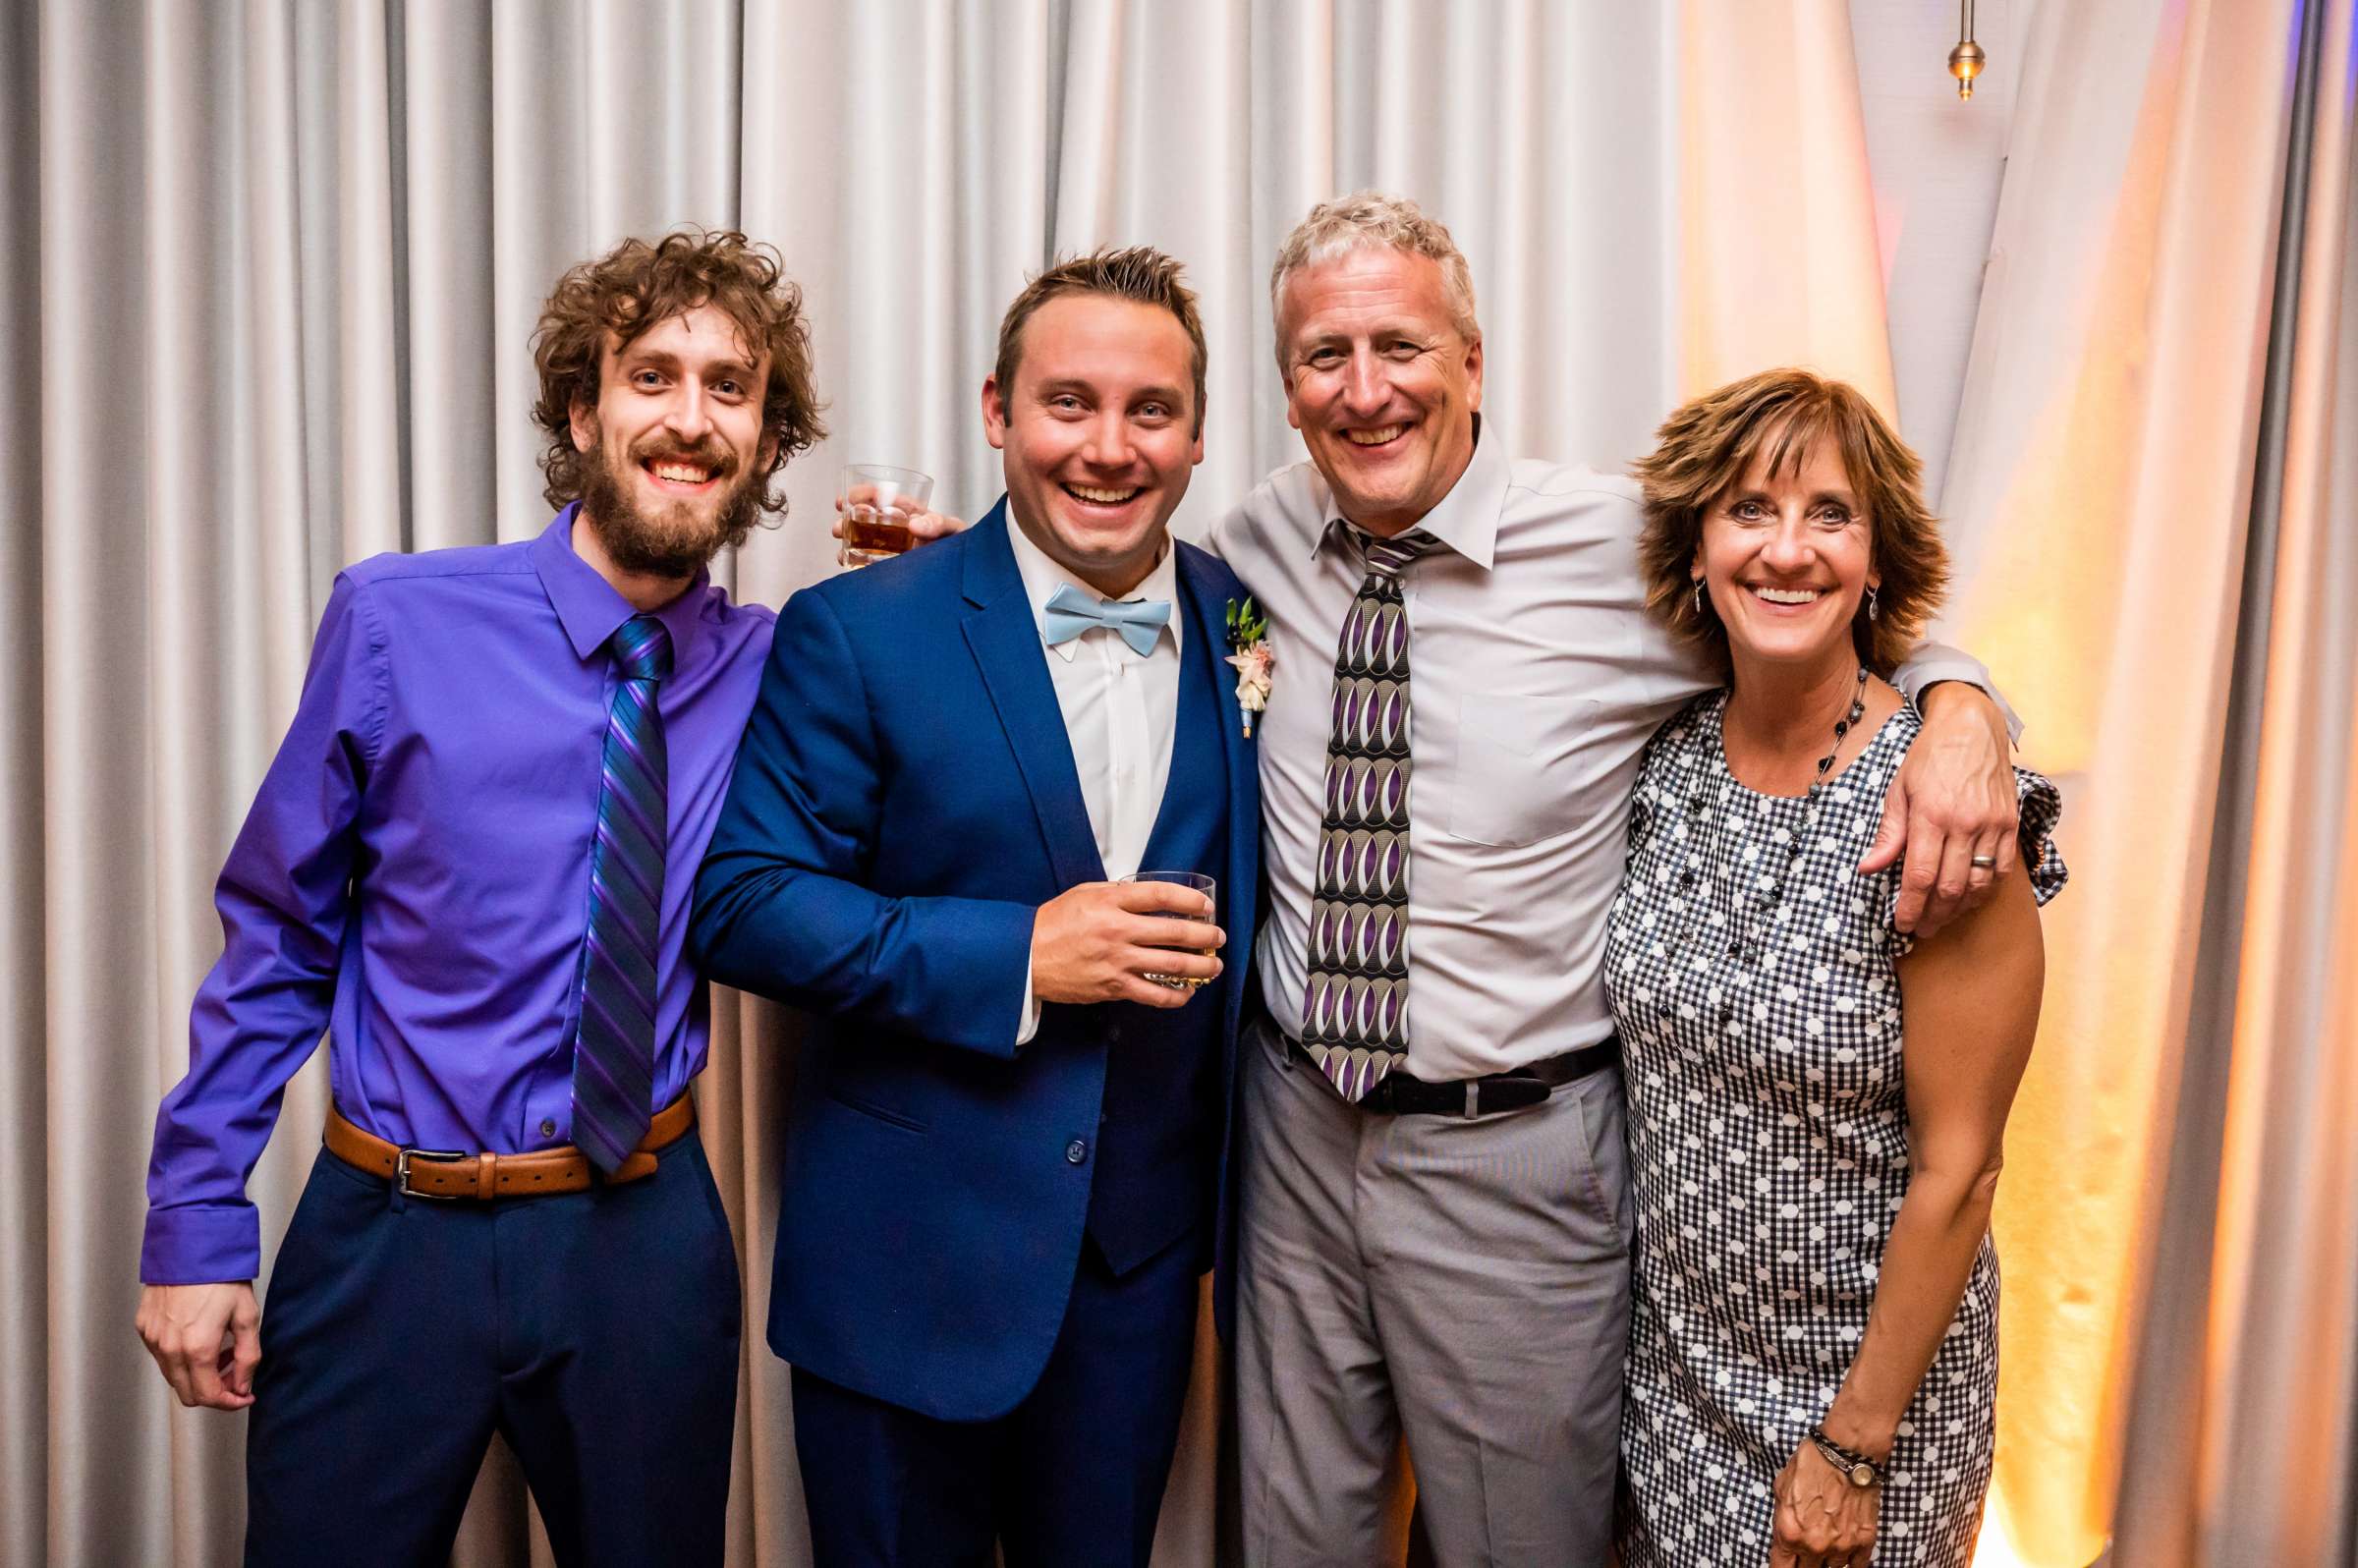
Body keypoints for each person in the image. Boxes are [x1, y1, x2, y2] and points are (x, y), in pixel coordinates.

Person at [860, 192, 2026, 1565]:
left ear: (1474, 362)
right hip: (1291, 1133)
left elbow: (1833, 603)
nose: (1366, 393)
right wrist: (967, 580)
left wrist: (1962, 714)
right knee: (1298, 1543)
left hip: (1519, 1159)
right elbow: (1095, 594)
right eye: (1323, 359)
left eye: (1401, 349)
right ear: (1285, 391)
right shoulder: (1249, 551)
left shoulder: (1624, 552)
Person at [134, 230, 826, 1568]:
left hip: (642, 1239)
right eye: (653, 376)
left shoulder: (782, 673)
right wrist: (195, 1220)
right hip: (390, 1236)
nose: (690, 418)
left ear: (767, 440)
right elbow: (279, 934)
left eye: (730, 388)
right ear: (584, 408)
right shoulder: (398, 621)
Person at [689, 247, 1258, 1568]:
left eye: (1150, 411)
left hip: (1137, 1280)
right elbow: (742, 902)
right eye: (1068, 404)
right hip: (903, 1269)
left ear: (1198, 433)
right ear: (997, 410)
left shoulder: (1245, 621)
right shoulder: (859, 628)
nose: (1109, 448)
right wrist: (1020, 955)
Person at [1607, 370, 2063, 1568]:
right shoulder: (1661, 765)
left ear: (1877, 560)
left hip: (1870, 1407)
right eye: (1750, 510)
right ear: (1697, 550)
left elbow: (1961, 1173)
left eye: (1830, 514)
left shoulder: (1945, 810)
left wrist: (1853, 1448)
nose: (1788, 550)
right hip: (1673, 1387)